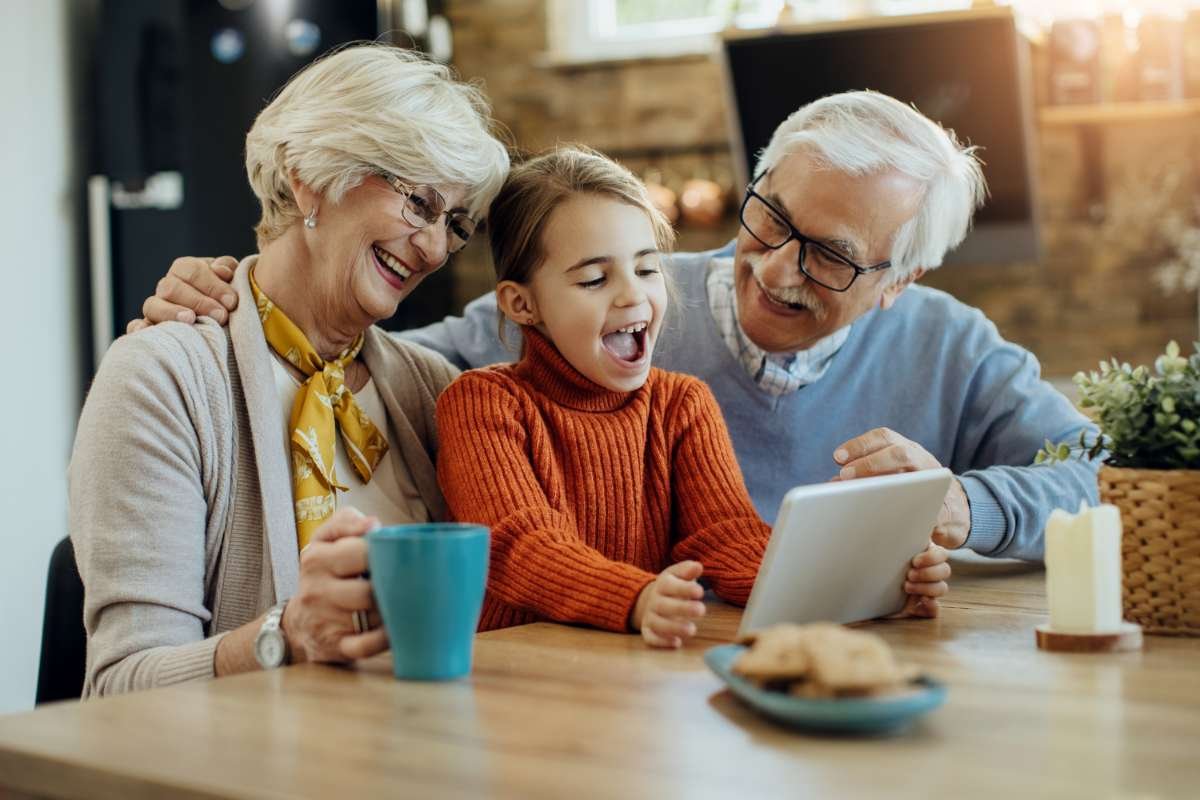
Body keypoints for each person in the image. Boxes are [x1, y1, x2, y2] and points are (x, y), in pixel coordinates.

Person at [132, 91, 1100, 563]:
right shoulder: (614, 295)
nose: (774, 267)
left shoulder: (951, 343)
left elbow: (1108, 476)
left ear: (902, 278)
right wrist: (240, 293)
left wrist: (969, 506)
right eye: (769, 219)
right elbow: (364, 363)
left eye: (833, 256)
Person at [69, 44, 509, 696]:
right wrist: (287, 635)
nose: (436, 248)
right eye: (419, 203)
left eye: (456, 223)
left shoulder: (433, 390)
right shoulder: (162, 381)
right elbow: (122, 685)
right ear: (309, 175)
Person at [434, 147, 949, 648]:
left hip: (635, 675)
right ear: (522, 304)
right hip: (518, 676)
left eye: (646, 268)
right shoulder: (483, 404)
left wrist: (863, 590)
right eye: (594, 278)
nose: (632, 295)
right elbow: (517, 547)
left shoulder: (682, 405)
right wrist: (635, 598)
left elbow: (729, 537)